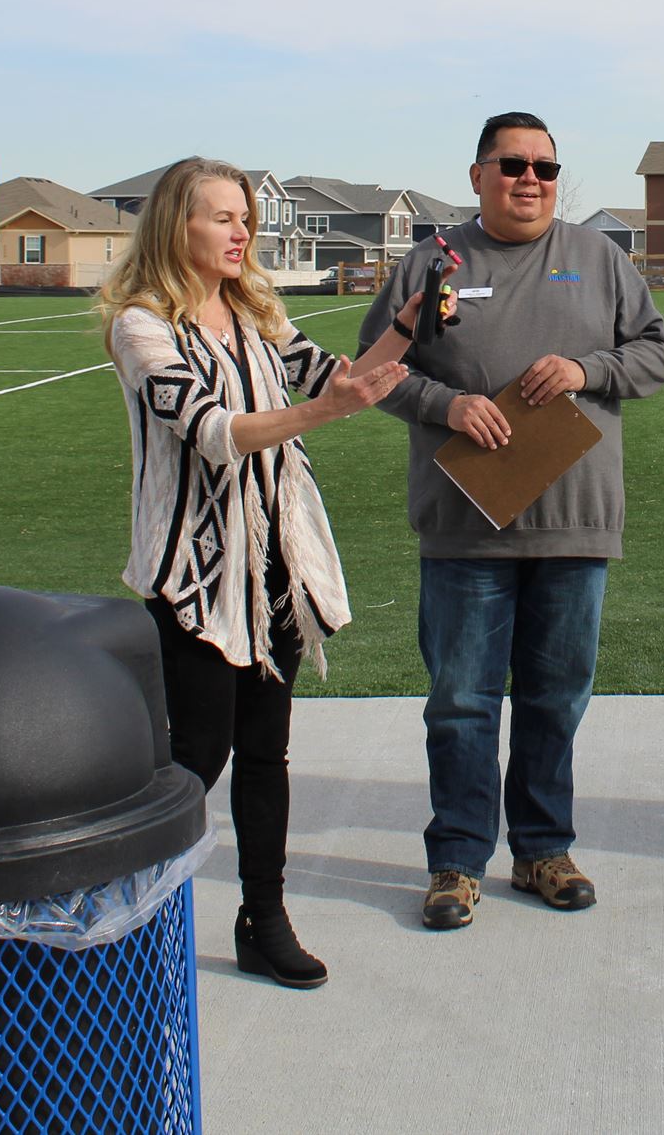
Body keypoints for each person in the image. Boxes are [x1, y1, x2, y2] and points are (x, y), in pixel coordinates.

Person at [101, 158, 415, 987]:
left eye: (245, 215)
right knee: (195, 757)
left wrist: (410, 330)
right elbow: (210, 431)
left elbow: (335, 378)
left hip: (275, 561)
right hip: (198, 576)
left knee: (266, 752)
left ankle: (262, 916)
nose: (243, 230)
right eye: (222, 217)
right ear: (179, 227)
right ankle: (121, 911)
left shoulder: (253, 313)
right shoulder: (142, 327)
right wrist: (323, 412)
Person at [358, 111, 664, 930]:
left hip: (575, 524)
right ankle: (457, 860)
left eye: (543, 165)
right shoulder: (433, 263)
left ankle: (542, 849)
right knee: (461, 699)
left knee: (555, 695)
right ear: (477, 175)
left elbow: (655, 353)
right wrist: (447, 403)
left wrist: (586, 367)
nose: (529, 179)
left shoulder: (598, 257)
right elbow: (372, 372)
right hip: (465, 528)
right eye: (511, 164)